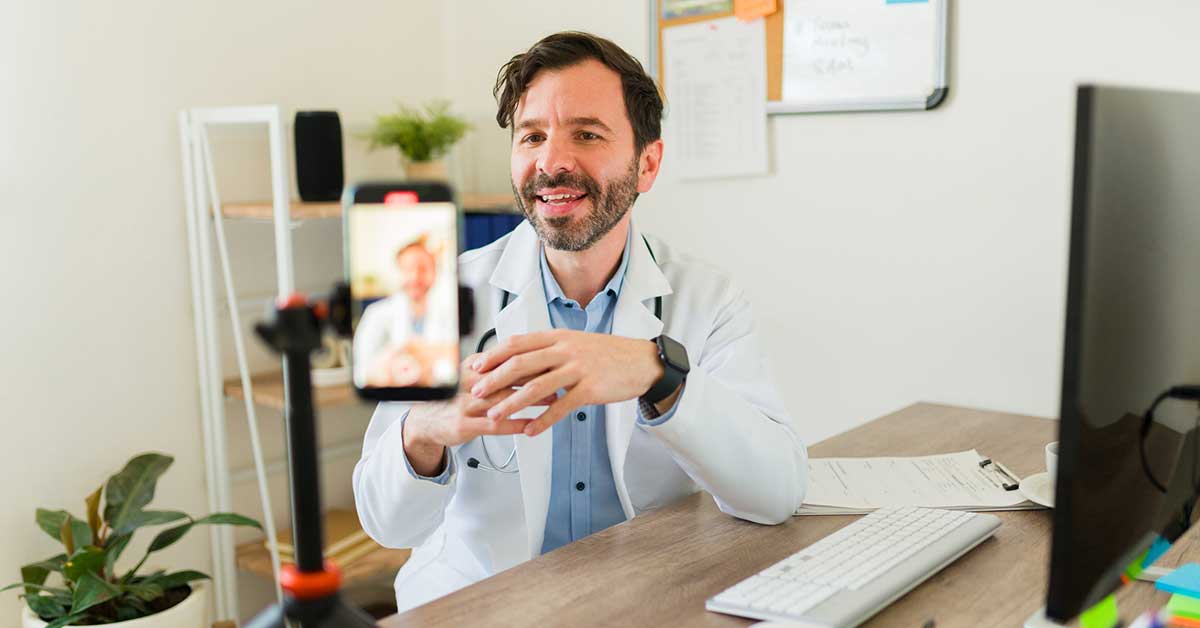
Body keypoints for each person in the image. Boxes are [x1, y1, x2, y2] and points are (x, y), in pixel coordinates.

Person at [353, 31, 807, 612]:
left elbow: (775, 494)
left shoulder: (707, 299)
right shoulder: (444, 296)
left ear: (648, 163)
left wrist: (657, 375)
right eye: (532, 136)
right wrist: (421, 433)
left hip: (644, 603)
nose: (552, 163)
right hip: (482, 605)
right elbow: (387, 524)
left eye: (587, 134)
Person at [352, 235, 457, 388]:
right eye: (408, 269)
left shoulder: (450, 313)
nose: (415, 277)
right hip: (393, 402)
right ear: (398, 272)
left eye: (423, 268)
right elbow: (361, 373)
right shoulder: (376, 313)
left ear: (435, 272)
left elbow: (458, 363)